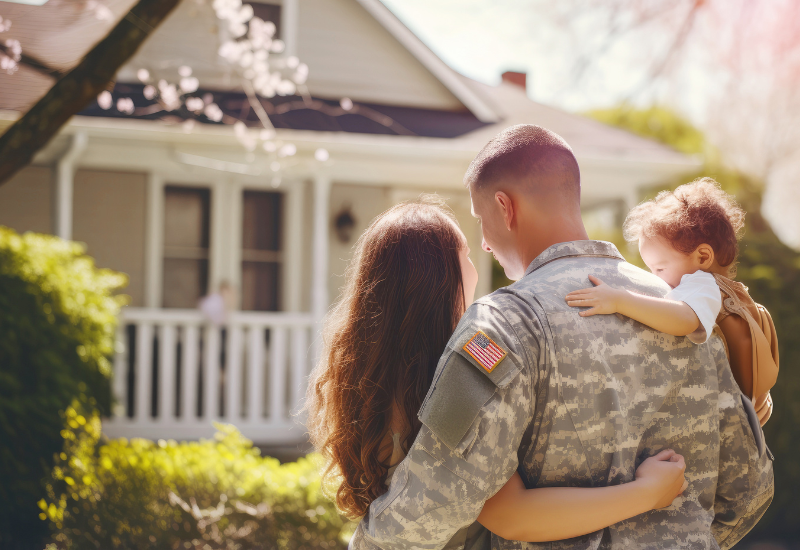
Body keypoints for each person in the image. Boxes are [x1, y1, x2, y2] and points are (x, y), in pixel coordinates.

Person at [348, 125, 774, 549]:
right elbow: (748, 488)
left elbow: (437, 496)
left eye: (481, 219)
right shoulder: (686, 311)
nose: (485, 242)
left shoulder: (500, 324)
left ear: (504, 207)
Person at [305, 198, 688, 548]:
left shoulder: (368, 372)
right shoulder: (461, 365)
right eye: (466, 254)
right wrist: (647, 493)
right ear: (440, 277)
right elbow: (510, 512)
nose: (479, 259)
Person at [565, 179, 777, 425]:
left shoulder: (702, 285)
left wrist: (620, 300)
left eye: (660, 268)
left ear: (703, 256)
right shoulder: (717, 290)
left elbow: (684, 320)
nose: (654, 277)